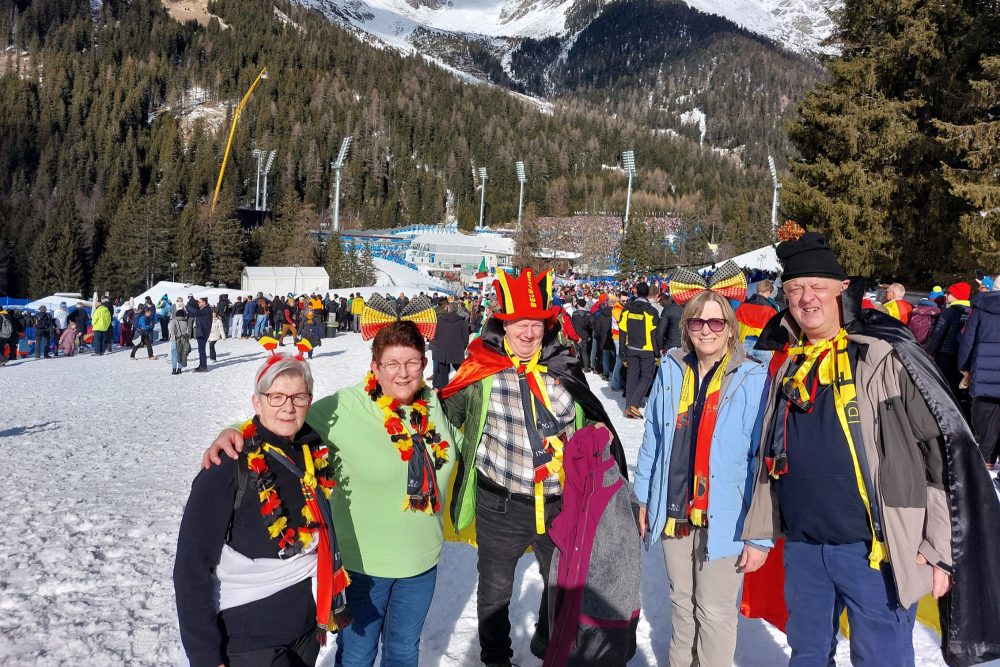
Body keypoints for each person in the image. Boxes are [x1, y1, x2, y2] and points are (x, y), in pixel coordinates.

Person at [741, 221, 1000, 667]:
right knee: (805, 656)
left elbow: (938, 454)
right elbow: (768, 455)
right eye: (796, 288)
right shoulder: (788, 367)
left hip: (877, 551)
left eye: (817, 286)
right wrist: (758, 533)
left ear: (841, 288)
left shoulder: (883, 358)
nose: (806, 298)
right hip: (804, 550)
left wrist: (939, 548)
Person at [202, 298, 460, 667]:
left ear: (424, 364)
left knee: (405, 652)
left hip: (423, 563)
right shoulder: (343, 408)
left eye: (412, 363)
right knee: (357, 655)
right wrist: (232, 431)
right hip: (363, 567)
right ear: (375, 367)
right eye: (392, 364)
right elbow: (282, 420)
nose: (402, 373)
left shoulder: (432, 404)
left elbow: (460, 449)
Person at [439, 269, 628, 667]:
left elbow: (588, 417)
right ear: (502, 324)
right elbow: (444, 415)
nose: (527, 332)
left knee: (560, 586)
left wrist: (597, 432)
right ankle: (496, 659)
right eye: (519, 323)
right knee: (494, 591)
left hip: (559, 503)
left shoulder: (564, 365)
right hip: (500, 503)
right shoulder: (482, 368)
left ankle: (549, 648)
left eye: (536, 324)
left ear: (548, 326)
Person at [174, 352, 350, 667]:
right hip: (249, 642)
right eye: (277, 396)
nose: (288, 406)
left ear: (309, 402)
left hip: (306, 634)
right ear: (257, 403)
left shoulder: (312, 452)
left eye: (298, 396)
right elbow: (190, 567)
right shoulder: (228, 463)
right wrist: (205, 656)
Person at [634, 267, 769, 667]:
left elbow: (761, 462)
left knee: (714, 612)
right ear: (687, 326)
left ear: (730, 328)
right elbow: (654, 440)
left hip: (726, 516)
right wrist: (644, 498)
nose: (706, 330)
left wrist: (759, 534)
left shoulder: (753, 378)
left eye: (715, 321)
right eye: (698, 321)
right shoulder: (672, 369)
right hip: (675, 509)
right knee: (681, 604)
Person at [957, 284, 1000, 470]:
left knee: (984, 412)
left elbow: (968, 340)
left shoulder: (981, 307)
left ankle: (986, 458)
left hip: (984, 367)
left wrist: (964, 366)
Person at [619, 282, 662, 418]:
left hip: (630, 347)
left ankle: (629, 405)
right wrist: (657, 352)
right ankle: (633, 405)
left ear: (636, 292)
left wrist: (622, 351)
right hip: (646, 349)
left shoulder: (627, 309)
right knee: (646, 376)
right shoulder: (651, 311)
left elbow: (622, 331)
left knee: (632, 376)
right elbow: (654, 334)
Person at [924, 281, 972, 396]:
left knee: (942, 385)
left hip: (945, 352)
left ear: (957, 296)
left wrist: (929, 352)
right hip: (963, 355)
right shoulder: (972, 311)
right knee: (955, 388)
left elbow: (938, 333)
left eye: (949, 293)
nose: (945, 295)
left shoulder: (949, 311)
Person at [432, 301, 469, 389]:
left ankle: (443, 393)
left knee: (443, 374)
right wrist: (460, 349)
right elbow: (465, 339)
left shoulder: (440, 319)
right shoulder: (462, 321)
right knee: (460, 372)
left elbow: (436, 334)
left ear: (449, 308)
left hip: (441, 350)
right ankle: (463, 389)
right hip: (456, 351)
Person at [569, 298, 593, 371]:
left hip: (577, 335)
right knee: (585, 351)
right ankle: (586, 366)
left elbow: (572, 325)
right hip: (585, 335)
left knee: (577, 352)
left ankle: (578, 366)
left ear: (578, 305)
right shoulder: (588, 314)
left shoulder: (574, 314)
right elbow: (591, 325)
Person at [189, 297, 212, 372]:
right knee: (200, 350)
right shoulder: (204, 309)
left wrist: (186, 306)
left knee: (202, 350)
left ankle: (203, 366)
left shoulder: (206, 310)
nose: (198, 303)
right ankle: (202, 365)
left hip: (203, 333)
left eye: (199, 302)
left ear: (204, 303)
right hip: (201, 332)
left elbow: (196, 312)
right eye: (198, 302)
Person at [169, 309, 191, 375]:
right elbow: (188, 331)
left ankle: (174, 370)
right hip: (184, 339)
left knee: (174, 354)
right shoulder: (185, 321)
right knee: (181, 353)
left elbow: (172, 330)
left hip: (175, 339)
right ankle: (179, 369)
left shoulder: (173, 321)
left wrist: (174, 335)